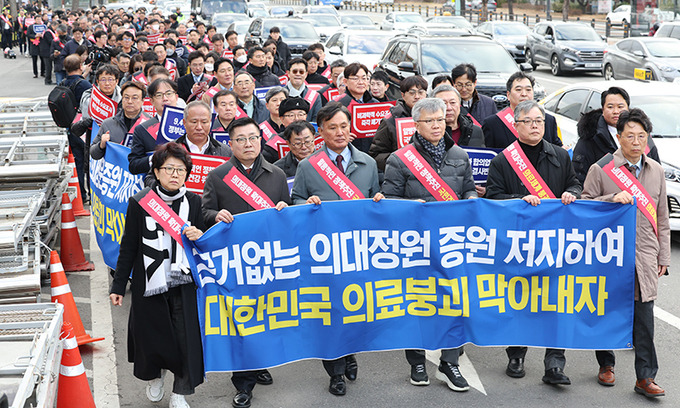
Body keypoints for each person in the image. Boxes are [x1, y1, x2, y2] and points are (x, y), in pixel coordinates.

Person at [381, 98, 475, 392]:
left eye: (440, 120)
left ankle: (450, 362)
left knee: (454, 301)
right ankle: (417, 361)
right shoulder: (400, 159)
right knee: (416, 301)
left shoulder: (459, 155)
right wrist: (412, 207)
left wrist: (472, 199)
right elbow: (389, 200)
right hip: (416, 245)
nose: (436, 126)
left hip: (452, 242)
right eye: (429, 121)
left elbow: (469, 189)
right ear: (416, 125)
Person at [486, 100, 581, 386]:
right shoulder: (503, 160)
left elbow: (574, 183)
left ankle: (555, 364)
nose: (535, 126)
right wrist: (519, 200)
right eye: (528, 121)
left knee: (557, 301)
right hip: (519, 243)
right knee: (520, 300)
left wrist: (572, 193)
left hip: (555, 243)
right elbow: (492, 198)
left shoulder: (560, 155)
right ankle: (516, 355)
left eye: (539, 120)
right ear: (516, 126)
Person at [291, 102, 383, 397]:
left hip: (359, 251)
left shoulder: (368, 163)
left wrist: (379, 201)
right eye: (333, 127)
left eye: (344, 126)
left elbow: (375, 200)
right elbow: (296, 201)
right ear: (321, 131)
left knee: (356, 308)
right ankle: (336, 371)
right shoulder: (308, 166)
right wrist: (305, 204)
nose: (340, 132)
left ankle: (350, 352)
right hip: (325, 253)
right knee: (330, 312)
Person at [201, 116, 291, 408]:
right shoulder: (218, 176)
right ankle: (243, 384)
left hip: (269, 260)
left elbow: (289, 214)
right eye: (241, 139)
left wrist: (285, 209)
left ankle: (259, 362)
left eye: (253, 138)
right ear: (230, 143)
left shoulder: (277, 175)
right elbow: (204, 212)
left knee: (266, 316)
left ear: (260, 140)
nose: (248, 144)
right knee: (241, 320)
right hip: (235, 263)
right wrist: (215, 216)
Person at [582, 108, 669, 398]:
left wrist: (663, 257)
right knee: (606, 311)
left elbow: (662, 217)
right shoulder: (601, 169)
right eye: (629, 136)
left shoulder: (656, 170)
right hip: (609, 256)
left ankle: (646, 377)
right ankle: (606, 364)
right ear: (618, 137)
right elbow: (585, 207)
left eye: (641, 136)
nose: (636, 142)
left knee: (644, 319)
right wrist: (611, 198)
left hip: (644, 255)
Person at [110, 142, 205, 408]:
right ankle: (156, 376)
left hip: (183, 283)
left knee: (185, 339)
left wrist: (198, 235)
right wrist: (118, 286)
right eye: (169, 169)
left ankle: (180, 392)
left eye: (181, 169)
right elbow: (129, 245)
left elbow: (203, 244)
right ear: (156, 171)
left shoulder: (194, 202)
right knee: (153, 337)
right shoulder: (141, 202)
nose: (175, 174)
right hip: (149, 282)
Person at [573, 86, 660, 185]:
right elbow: (579, 178)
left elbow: (656, 171)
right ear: (603, 109)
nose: (616, 111)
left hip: (642, 192)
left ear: (628, 108)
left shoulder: (642, 134)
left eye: (620, 107)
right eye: (610, 107)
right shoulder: (590, 137)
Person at [482, 72, 561, 149]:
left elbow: (556, 148)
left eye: (528, 90)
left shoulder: (548, 120)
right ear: (508, 95)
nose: (524, 94)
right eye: (518, 90)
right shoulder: (492, 124)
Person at [369, 75, 427, 172]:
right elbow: (376, 154)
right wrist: (398, 162)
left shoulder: (434, 118)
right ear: (403, 95)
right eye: (412, 93)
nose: (417, 96)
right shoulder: (391, 121)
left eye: (420, 92)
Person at [129, 78, 180, 176]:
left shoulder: (189, 124)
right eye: (159, 95)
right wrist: (154, 158)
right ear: (151, 101)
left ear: (176, 97)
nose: (165, 98)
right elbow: (134, 165)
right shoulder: (143, 130)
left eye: (169, 93)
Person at [91, 81, 148, 160]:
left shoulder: (150, 124)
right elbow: (93, 154)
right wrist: (101, 145)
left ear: (142, 101)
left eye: (134, 98)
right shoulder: (108, 124)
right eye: (126, 97)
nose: (130, 101)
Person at [336, 62, 379, 154]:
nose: (361, 82)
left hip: (372, 153)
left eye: (364, 78)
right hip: (347, 152)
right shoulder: (337, 105)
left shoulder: (375, 104)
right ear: (345, 82)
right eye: (355, 78)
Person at [285, 57, 322, 122]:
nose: (298, 74)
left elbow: (316, 121)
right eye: (294, 71)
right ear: (288, 73)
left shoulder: (315, 96)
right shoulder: (280, 95)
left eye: (301, 72)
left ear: (306, 74)